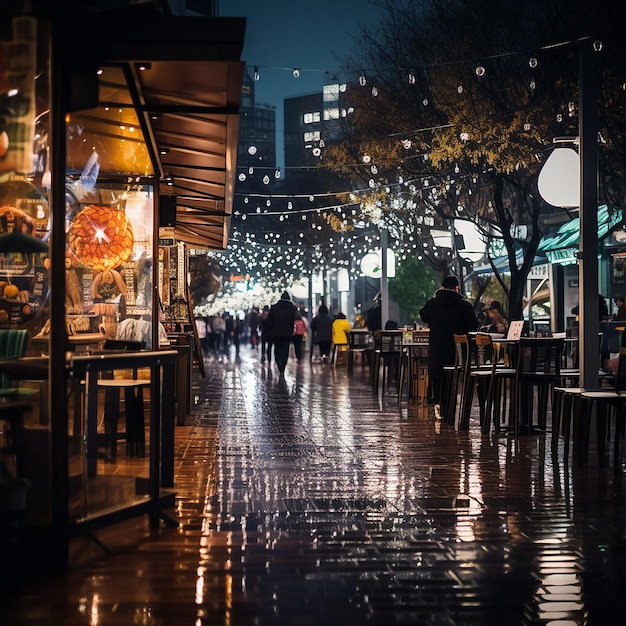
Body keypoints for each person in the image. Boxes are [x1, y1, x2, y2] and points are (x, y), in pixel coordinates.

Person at [419, 275, 479, 418]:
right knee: (453, 375)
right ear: (457, 288)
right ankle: (450, 405)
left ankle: (438, 403)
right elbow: (473, 325)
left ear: (441, 287)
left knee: (437, 375)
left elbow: (423, 316)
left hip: (437, 346)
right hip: (456, 349)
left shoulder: (433, 303)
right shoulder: (465, 305)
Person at [266, 291, 297, 376]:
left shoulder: (274, 307)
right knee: (285, 349)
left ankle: (278, 362)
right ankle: (283, 366)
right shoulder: (292, 308)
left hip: (276, 332)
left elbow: (269, 321)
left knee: (277, 349)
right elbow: (292, 321)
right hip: (287, 332)